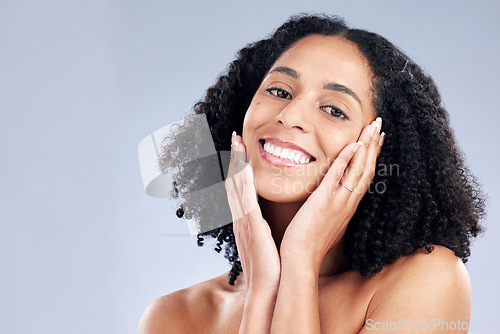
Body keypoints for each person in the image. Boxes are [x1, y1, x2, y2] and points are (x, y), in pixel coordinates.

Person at [138, 14, 485, 333]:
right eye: (279, 91)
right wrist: (262, 290)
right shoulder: (174, 317)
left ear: (379, 150)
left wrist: (301, 259)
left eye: (334, 110)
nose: (290, 116)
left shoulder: (427, 282)